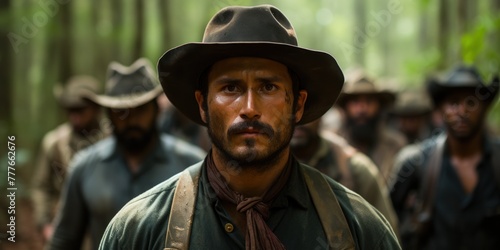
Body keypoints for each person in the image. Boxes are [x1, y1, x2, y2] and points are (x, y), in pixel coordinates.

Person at [99, 5, 400, 250]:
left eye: (268, 87)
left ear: (297, 105)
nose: (250, 109)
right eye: (230, 88)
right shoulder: (140, 230)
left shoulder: (357, 229)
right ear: (203, 104)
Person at [48, 58, 206, 250]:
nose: (131, 120)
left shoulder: (192, 165)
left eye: (140, 109)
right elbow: (64, 240)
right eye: (121, 111)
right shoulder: (84, 167)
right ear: (109, 115)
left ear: (156, 110)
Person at [390, 65, 500, 250]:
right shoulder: (418, 161)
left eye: (471, 102)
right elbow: (388, 214)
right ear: (440, 111)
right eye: (453, 103)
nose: (462, 111)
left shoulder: (497, 161)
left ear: (484, 108)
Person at [32, 75, 110, 243]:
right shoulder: (54, 143)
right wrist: (45, 224)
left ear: (96, 108)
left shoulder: (112, 141)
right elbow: (41, 186)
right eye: (70, 110)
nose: (75, 116)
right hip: (64, 227)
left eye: (81, 110)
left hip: (105, 228)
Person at [290, 118, 399, 232]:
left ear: (320, 116)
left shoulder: (356, 169)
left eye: (306, 112)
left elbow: (385, 233)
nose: (298, 121)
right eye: (289, 112)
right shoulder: (271, 171)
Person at [336, 69, 407, 182]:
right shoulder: (334, 144)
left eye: (369, 101)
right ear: (345, 107)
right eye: (355, 102)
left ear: (379, 106)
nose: (362, 109)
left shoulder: (395, 144)